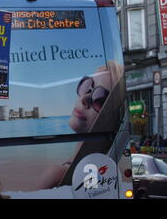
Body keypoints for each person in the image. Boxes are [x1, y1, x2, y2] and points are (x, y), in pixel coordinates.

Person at [36, 61, 124, 190]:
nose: (84, 99)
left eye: (100, 99)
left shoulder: (55, 174)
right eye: (87, 86)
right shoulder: (104, 169)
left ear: (114, 117)